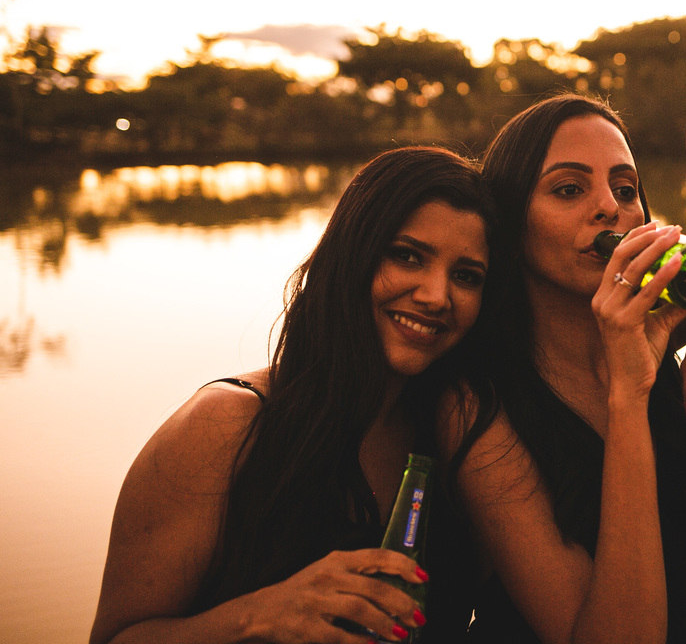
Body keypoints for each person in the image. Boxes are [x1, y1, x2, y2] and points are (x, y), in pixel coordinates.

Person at [89, 146, 495, 644]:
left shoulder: (459, 438)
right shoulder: (228, 425)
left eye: (466, 276)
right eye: (407, 255)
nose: (436, 295)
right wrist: (258, 616)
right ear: (351, 255)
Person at [438, 94, 686, 644]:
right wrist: (629, 394)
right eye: (569, 189)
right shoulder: (475, 405)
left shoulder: (661, 327)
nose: (609, 209)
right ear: (511, 223)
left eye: (625, 189)